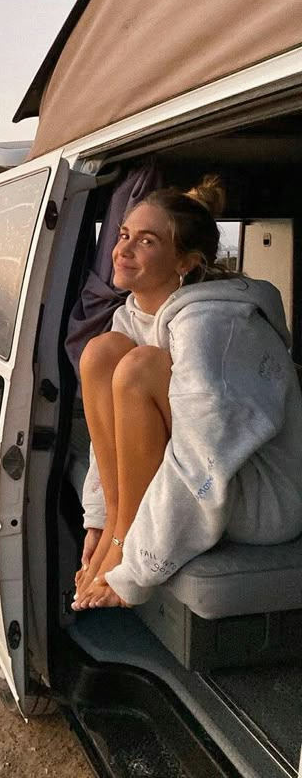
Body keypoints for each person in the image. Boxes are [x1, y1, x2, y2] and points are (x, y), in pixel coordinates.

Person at [72, 175, 302, 610]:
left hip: (258, 493)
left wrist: (137, 565)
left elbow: (202, 451)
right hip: (212, 474)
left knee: (140, 368)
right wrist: (101, 522)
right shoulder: (133, 315)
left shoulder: (211, 322)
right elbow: (113, 437)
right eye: (124, 235)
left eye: (146, 241)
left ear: (184, 263)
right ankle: (122, 525)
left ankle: (127, 534)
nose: (122, 250)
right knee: (103, 354)